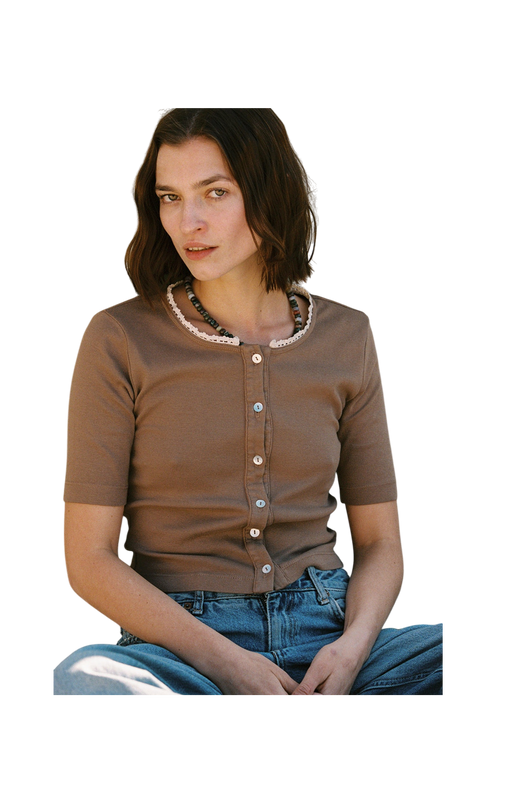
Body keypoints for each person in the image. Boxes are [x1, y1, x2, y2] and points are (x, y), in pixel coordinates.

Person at [53, 105, 444, 698]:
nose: (189, 221)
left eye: (214, 192)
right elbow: (88, 560)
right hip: (180, 649)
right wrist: (227, 664)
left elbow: (380, 542)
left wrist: (352, 649)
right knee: (86, 680)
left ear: (269, 192)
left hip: (332, 632)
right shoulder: (117, 338)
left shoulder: (349, 334)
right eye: (170, 197)